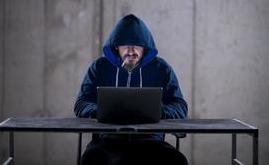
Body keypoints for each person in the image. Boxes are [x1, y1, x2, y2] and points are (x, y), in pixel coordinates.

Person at [74, 14, 188, 165]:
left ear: (145, 47)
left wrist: (158, 111)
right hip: (108, 141)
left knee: (176, 160)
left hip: (151, 142)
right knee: (91, 159)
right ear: (116, 47)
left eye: (137, 45)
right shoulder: (100, 67)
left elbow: (180, 106)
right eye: (125, 45)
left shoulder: (161, 69)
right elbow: (81, 103)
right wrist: (100, 111)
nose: (131, 51)